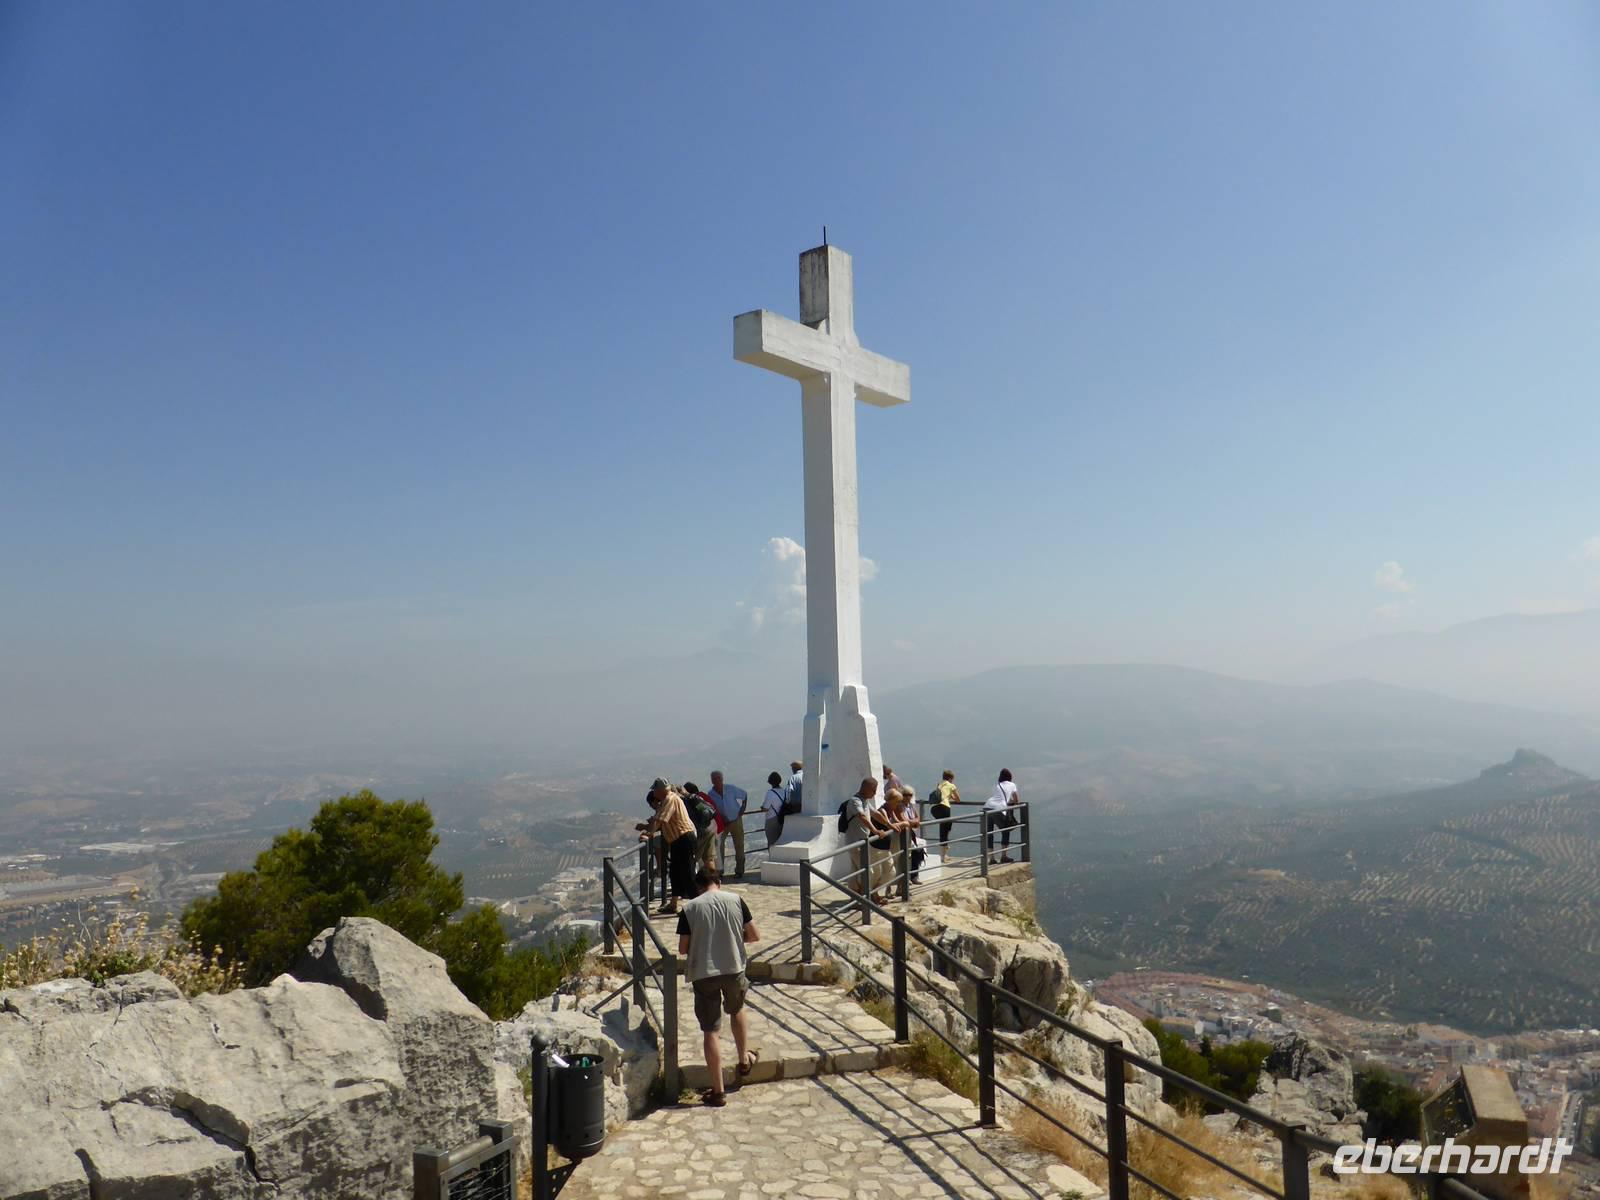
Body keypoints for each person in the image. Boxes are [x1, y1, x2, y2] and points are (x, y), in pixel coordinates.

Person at [676, 863, 760, 1107]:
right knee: (737, 1010)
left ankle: (718, 1091)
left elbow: (683, 948)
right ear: (718, 883)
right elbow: (754, 935)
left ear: (698, 887)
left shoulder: (690, 908)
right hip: (733, 967)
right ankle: (743, 1060)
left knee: (710, 1030)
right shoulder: (736, 900)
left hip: (704, 973)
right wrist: (734, 938)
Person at [639, 778, 697, 915]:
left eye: (655, 790)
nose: (654, 793)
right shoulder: (667, 800)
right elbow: (659, 820)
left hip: (684, 838)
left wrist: (649, 834)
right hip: (677, 840)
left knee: (687, 873)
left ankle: (696, 906)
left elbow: (660, 820)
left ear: (660, 790)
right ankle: (673, 904)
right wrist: (647, 828)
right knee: (675, 872)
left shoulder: (670, 799)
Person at [842, 777, 889, 904]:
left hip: (862, 841)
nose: (875, 793)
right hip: (855, 842)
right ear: (866, 788)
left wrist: (889, 825)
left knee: (856, 871)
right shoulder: (855, 801)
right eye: (873, 790)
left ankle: (857, 899)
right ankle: (867, 898)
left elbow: (875, 814)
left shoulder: (865, 801)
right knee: (868, 871)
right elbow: (862, 816)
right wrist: (875, 830)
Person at [708, 770, 749, 879]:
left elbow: (744, 795)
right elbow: (711, 808)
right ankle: (720, 871)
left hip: (736, 820)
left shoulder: (731, 788)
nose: (716, 781)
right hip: (722, 823)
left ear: (722, 779)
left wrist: (742, 810)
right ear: (711, 780)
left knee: (739, 845)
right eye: (714, 779)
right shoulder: (710, 794)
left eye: (718, 778)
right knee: (719, 846)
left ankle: (739, 870)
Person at [882, 788, 924, 885]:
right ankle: (900, 881)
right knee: (898, 857)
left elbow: (917, 817)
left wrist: (912, 822)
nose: (908, 797)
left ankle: (910, 878)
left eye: (910, 795)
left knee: (910, 854)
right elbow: (902, 819)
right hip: (899, 835)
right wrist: (912, 823)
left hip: (908, 834)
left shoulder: (910, 806)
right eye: (905, 795)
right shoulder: (897, 806)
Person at [984, 768, 1021, 864]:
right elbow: (1016, 799)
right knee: (1006, 830)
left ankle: (991, 858)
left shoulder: (998, 785)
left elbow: (997, 797)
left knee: (989, 833)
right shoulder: (1012, 785)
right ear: (1010, 777)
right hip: (998, 809)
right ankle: (1004, 856)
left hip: (987, 807)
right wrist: (1013, 803)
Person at [682, 781, 718, 870]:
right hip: (709, 828)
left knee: (691, 859)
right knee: (709, 858)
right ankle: (713, 877)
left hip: (699, 832)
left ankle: (692, 877)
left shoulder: (687, 801)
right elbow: (705, 812)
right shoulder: (697, 800)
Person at [929, 770, 960, 860]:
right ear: (950, 778)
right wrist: (952, 797)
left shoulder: (939, 784)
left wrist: (949, 796)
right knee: (945, 830)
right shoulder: (951, 785)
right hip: (944, 807)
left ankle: (944, 849)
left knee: (944, 827)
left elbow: (940, 795)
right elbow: (958, 799)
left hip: (934, 808)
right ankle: (943, 855)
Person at [759, 770, 786, 849]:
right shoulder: (784, 791)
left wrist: (762, 807)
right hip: (783, 818)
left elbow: (765, 808)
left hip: (772, 819)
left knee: (772, 842)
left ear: (770, 782)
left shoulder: (770, 793)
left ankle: (772, 856)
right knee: (781, 841)